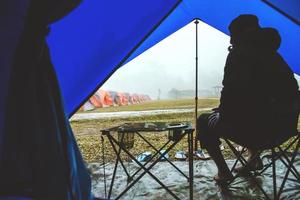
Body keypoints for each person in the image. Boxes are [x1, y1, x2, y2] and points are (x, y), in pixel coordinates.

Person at [196, 14, 299, 184]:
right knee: (254, 111)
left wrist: (224, 112)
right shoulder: (275, 57)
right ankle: (253, 160)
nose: (230, 42)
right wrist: (225, 109)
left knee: (203, 121)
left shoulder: (239, 55)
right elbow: (285, 91)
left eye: (233, 36)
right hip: (283, 129)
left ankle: (223, 172)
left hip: (256, 132)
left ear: (238, 37)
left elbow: (232, 90)